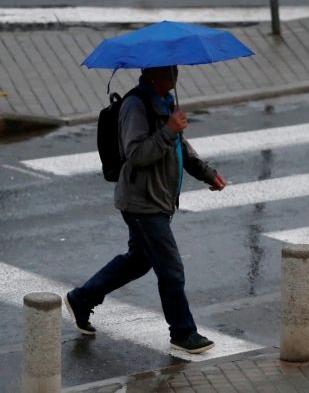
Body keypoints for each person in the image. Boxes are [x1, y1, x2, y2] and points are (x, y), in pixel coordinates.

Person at [65, 65, 227, 355]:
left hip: (159, 199)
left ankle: (82, 298)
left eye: (175, 68)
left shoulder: (165, 102)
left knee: (139, 260)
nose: (173, 73)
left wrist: (206, 173)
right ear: (150, 73)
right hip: (142, 202)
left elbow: (179, 146)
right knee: (171, 268)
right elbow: (137, 154)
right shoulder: (135, 105)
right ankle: (183, 332)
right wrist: (168, 129)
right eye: (166, 69)